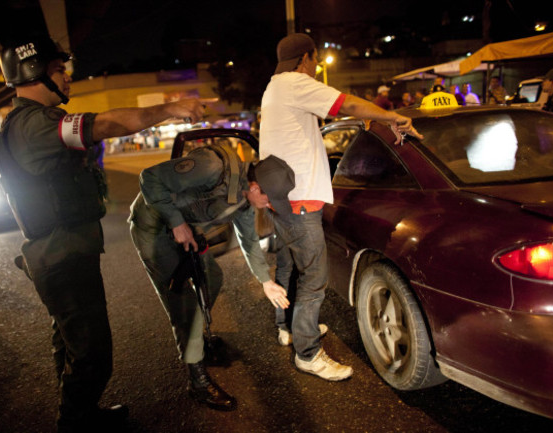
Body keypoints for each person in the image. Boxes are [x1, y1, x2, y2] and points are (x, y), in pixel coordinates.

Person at [0, 35, 206, 433]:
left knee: (70, 343)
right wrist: (169, 109)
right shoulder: (34, 124)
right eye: (58, 69)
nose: (67, 76)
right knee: (92, 354)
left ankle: (79, 415)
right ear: (36, 73)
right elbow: (103, 123)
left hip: (60, 251)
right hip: (61, 254)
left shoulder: (25, 122)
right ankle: (74, 422)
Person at [260, 33, 422, 382]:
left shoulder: (274, 87)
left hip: (281, 198)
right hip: (299, 199)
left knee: (289, 266)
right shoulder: (296, 83)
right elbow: (346, 104)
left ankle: (288, 328)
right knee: (315, 277)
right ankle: (308, 352)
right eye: (315, 58)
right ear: (304, 58)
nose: (317, 65)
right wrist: (390, 116)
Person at [128, 150, 292, 411]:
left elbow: (249, 241)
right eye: (269, 199)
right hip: (154, 228)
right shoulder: (211, 167)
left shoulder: (246, 201)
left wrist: (265, 281)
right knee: (183, 302)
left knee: (212, 277)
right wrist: (176, 222)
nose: (270, 205)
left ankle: (195, 338)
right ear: (255, 185)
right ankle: (198, 382)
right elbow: (148, 178)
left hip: (183, 229)